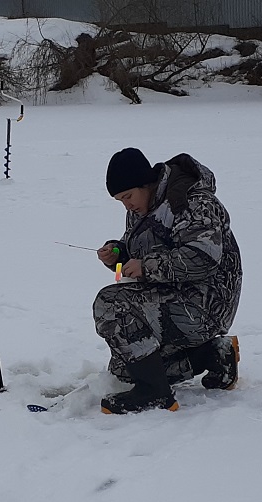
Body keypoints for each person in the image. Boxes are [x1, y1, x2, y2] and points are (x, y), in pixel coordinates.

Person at [94, 148, 243, 414]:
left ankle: (155, 394)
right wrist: (118, 254)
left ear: (146, 182)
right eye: (120, 200)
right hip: (174, 296)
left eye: (127, 196)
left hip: (207, 302)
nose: (126, 205)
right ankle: (213, 356)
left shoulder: (190, 200)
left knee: (110, 304)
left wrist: (146, 267)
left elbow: (202, 257)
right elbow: (142, 255)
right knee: (125, 368)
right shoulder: (142, 208)